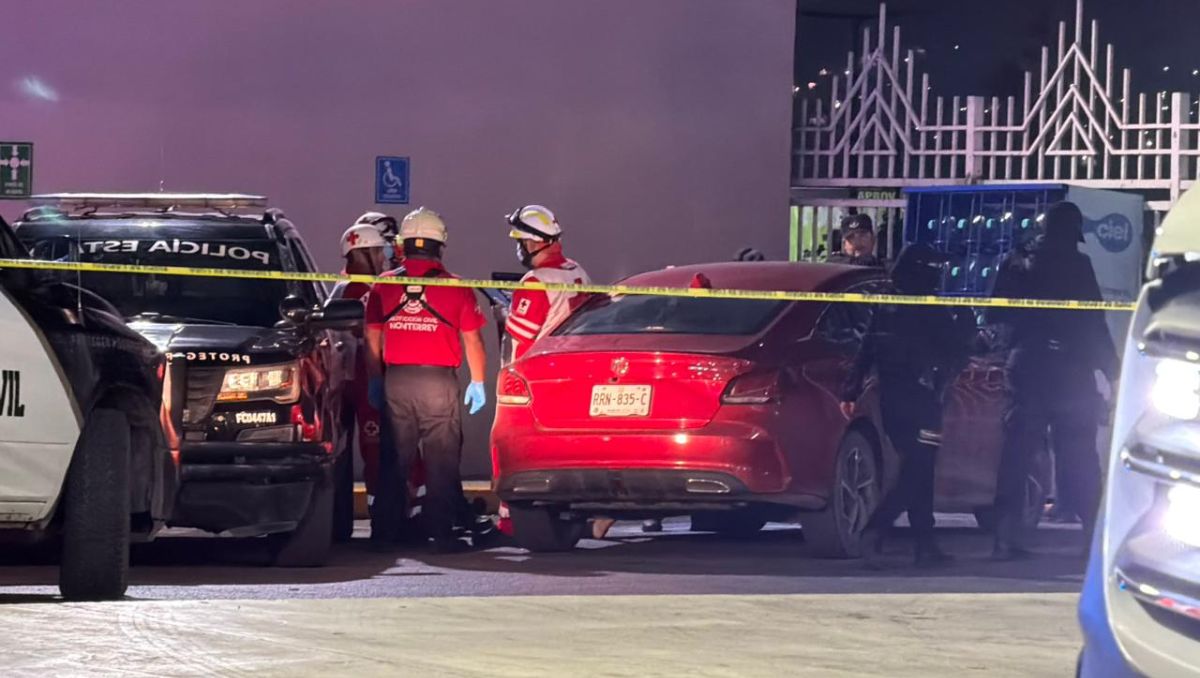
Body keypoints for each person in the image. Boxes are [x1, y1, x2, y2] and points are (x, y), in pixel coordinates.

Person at [989, 201, 1118, 559]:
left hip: (1026, 367)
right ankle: (1093, 539)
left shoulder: (1016, 261)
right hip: (1070, 372)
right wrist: (1112, 369)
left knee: (1017, 456)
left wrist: (1007, 350)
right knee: (1079, 456)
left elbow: (994, 314)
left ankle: (1003, 538)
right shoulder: (1079, 264)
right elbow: (1093, 322)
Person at [840, 244, 974, 567]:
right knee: (917, 471)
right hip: (923, 401)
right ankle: (877, 529)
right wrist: (968, 324)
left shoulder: (887, 306)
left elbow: (866, 350)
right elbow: (958, 345)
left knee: (919, 468)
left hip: (892, 402)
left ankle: (925, 545)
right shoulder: (930, 309)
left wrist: (851, 390)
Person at [364, 207, 489, 554]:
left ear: (404, 244)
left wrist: (377, 380)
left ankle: (385, 533)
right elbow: (473, 341)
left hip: (397, 381)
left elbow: (372, 338)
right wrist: (478, 381)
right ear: (439, 245)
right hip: (438, 382)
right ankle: (441, 533)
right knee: (442, 460)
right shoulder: (456, 287)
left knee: (394, 460)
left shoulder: (384, 285)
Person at [332, 225, 391, 519]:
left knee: (340, 456)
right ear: (364, 253)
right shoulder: (366, 290)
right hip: (364, 379)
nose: (384, 257)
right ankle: (380, 513)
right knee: (375, 451)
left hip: (339, 382)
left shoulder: (339, 286)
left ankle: (339, 518)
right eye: (379, 251)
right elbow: (373, 337)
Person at [504, 204, 592, 363]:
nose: (520, 248)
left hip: (539, 370)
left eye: (521, 242)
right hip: (572, 362)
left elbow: (519, 342)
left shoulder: (535, 282)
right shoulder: (577, 270)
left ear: (533, 243)